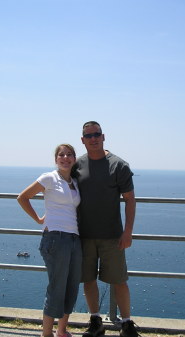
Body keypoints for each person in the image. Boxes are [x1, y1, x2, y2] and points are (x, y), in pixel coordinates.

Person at [74, 121, 139, 337]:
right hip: (83, 235)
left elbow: (130, 200)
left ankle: (127, 324)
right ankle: (96, 321)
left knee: (119, 280)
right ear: (82, 140)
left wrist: (128, 232)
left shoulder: (118, 165)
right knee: (88, 280)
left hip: (112, 235)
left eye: (97, 134)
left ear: (104, 137)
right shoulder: (77, 165)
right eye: (88, 135)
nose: (93, 138)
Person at [17, 144, 81, 337]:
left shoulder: (75, 182)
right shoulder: (49, 178)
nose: (65, 158)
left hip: (74, 239)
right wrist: (38, 219)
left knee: (71, 285)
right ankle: (47, 333)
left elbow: (67, 207)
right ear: (56, 159)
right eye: (61, 155)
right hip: (55, 238)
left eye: (69, 154)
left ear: (74, 159)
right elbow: (23, 197)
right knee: (57, 286)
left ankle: (62, 330)